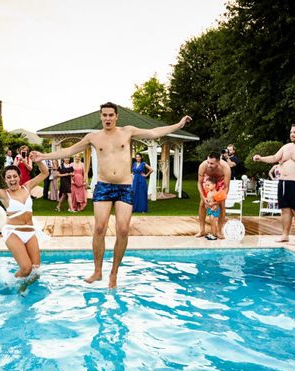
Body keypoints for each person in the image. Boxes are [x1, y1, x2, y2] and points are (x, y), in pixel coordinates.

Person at [33, 101, 192, 288]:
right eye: (104, 115)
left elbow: (154, 132)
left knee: (123, 230)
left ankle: (114, 273)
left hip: (124, 186)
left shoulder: (128, 131)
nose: (107, 118)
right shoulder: (93, 137)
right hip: (104, 186)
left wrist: (179, 124)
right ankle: (98, 271)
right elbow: (68, 150)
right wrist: (43, 156)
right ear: (100, 116)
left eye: (111, 115)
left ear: (117, 116)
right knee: (99, 228)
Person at [253, 123, 295, 245]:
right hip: (284, 183)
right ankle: (285, 235)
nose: (292, 134)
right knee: (285, 210)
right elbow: (274, 157)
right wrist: (261, 158)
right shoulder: (286, 147)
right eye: (291, 132)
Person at [195, 152, 231, 239]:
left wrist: (216, 203)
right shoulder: (203, 166)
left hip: (221, 182)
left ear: (218, 162)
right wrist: (203, 198)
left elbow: (226, 188)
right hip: (209, 181)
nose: (209, 165)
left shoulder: (226, 168)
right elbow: (199, 183)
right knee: (202, 204)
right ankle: (202, 230)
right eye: (208, 162)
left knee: (222, 205)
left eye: (212, 163)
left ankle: (219, 231)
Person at [203, 176, 221, 240]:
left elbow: (218, 202)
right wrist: (207, 202)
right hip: (210, 209)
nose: (207, 186)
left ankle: (214, 235)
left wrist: (213, 204)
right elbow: (209, 200)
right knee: (211, 222)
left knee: (213, 222)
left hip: (214, 209)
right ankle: (212, 234)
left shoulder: (215, 193)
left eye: (208, 185)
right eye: (206, 185)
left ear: (214, 185)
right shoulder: (209, 192)